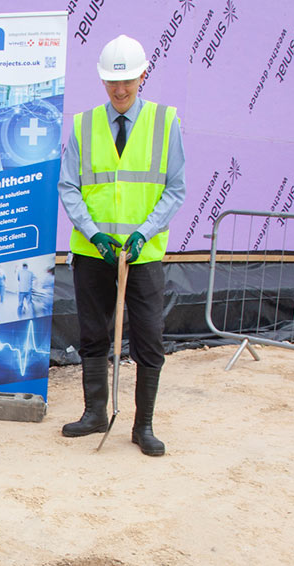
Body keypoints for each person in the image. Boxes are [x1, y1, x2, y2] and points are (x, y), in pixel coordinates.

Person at [57, 34, 186, 457]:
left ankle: (142, 426)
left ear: (142, 75)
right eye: (112, 82)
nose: (120, 90)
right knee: (94, 334)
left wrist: (143, 232)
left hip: (142, 255)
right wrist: (94, 233)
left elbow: (174, 189)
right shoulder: (82, 124)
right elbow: (70, 186)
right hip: (94, 253)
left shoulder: (166, 122)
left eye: (128, 80)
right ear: (101, 81)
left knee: (149, 339)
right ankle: (95, 412)